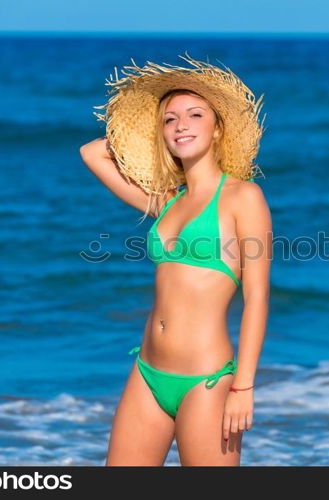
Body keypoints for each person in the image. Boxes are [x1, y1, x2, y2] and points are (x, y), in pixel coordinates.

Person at [80, 53, 272, 466]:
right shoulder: (167, 202)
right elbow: (92, 152)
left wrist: (244, 387)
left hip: (205, 380)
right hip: (147, 373)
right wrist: (144, 137)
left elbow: (256, 297)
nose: (181, 124)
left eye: (195, 115)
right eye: (170, 120)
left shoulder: (243, 197)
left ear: (219, 129)